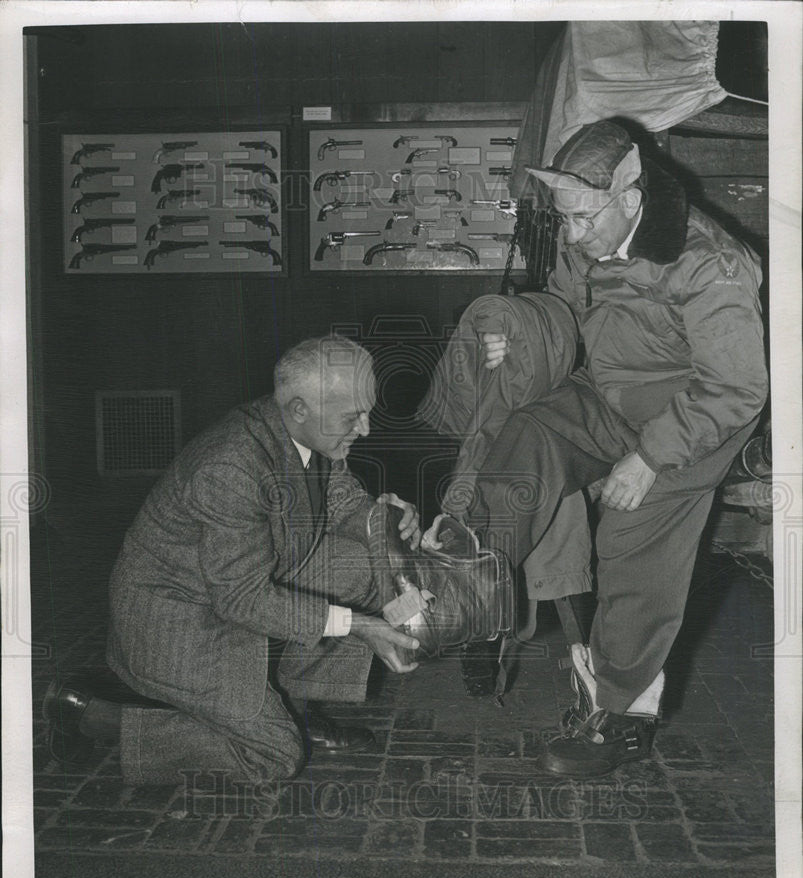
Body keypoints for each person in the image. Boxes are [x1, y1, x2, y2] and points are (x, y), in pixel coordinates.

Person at [476, 120, 768, 777]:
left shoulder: (707, 261)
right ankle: (475, 584)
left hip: (694, 416)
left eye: (581, 219)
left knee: (629, 532)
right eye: (564, 219)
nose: (571, 236)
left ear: (628, 200)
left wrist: (648, 456)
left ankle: (622, 715)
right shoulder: (584, 231)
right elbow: (557, 308)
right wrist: (514, 335)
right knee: (528, 433)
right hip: (610, 395)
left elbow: (737, 388)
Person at [43, 336, 421, 785]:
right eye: (353, 417)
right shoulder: (230, 468)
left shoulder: (303, 429)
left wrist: (383, 519)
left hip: (235, 587)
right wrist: (360, 624)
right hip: (179, 619)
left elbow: (339, 498)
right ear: (300, 409)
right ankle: (94, 716)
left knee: (357, 563)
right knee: (276, 756)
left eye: (367, 411)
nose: (366, 428)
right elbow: (241, 600)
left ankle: (293, 707)